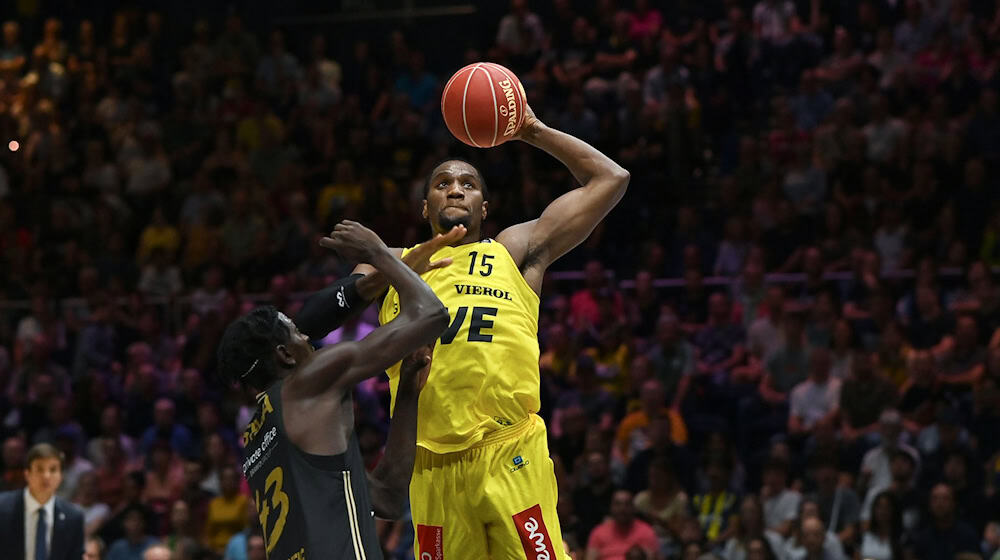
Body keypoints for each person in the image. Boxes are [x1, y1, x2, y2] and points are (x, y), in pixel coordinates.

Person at [351, 101, 629, 558]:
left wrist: (531, 130)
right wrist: (411, 257)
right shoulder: (392, 264)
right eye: (442, 184)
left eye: (468, 184)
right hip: (431, 466)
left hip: (509, 451)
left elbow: (611, 179)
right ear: (426, 206)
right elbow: (358, 279)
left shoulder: (514, 250)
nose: (456, 190)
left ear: (485, 205)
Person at [217, 220, 452, 559]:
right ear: (284, 355)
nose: (308, 339)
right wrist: (378, 253)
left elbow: (387, 495)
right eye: (296, 333)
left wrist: (408, 391)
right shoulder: (308, 379)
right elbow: (430, 315)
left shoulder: (258, 438)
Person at [0, 442, 85, 560]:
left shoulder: (73, 517)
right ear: (27, 474)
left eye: (53, 469)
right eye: (39, 469)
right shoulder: (2, 508)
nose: (46, 476)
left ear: (60, 476)